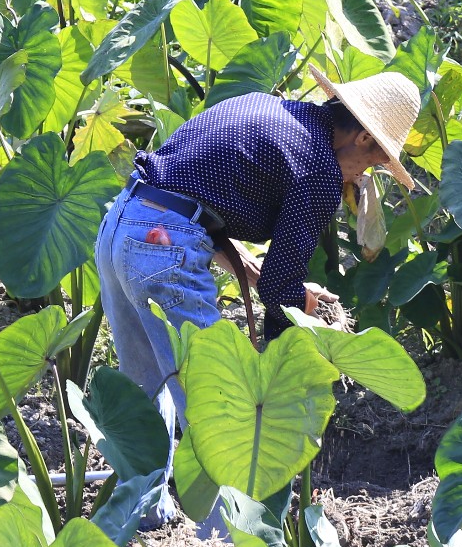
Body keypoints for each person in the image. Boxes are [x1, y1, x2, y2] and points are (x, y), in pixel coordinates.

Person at [92, 66, 420, 503]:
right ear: (362, 138)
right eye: (375, 162)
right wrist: (293, 343)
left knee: (145, 389)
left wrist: (255, 273)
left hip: (121, 225)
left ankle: (145, 515)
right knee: (220, 402)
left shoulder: (269, 109)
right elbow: (281, 293)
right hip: (162, 244)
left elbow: (191, 194)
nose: (361, 177)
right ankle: (232, 539)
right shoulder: (320, 167)